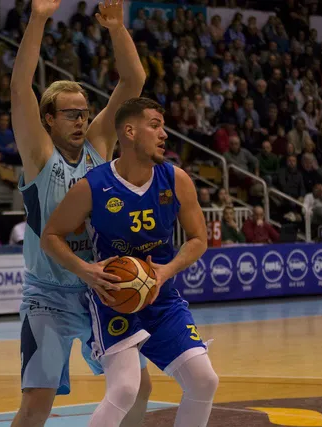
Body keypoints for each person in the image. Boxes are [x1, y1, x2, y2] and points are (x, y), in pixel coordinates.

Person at [10, 0, 149, 425]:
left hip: (99, 291)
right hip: (48, 295)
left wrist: (117, 29)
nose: (80, 121)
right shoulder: (39, 154)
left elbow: (133, 80)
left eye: (84, 113)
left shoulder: (98, 146)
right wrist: (38, 18)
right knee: (37, 402)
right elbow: (20, 88)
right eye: (70, 114)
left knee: (139, 385)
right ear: (48, 119)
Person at [41, 98, 219, 427]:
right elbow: (50, 236)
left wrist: (166, 271)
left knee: (204, 381)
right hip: (114, 298)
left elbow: (198, 239)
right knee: (125, 389)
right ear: (130, 131)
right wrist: (86, 271)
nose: (164, 134)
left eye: (163, 126)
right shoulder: (94, 185)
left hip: (161, 297)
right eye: (155, 125)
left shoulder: (176, 179)